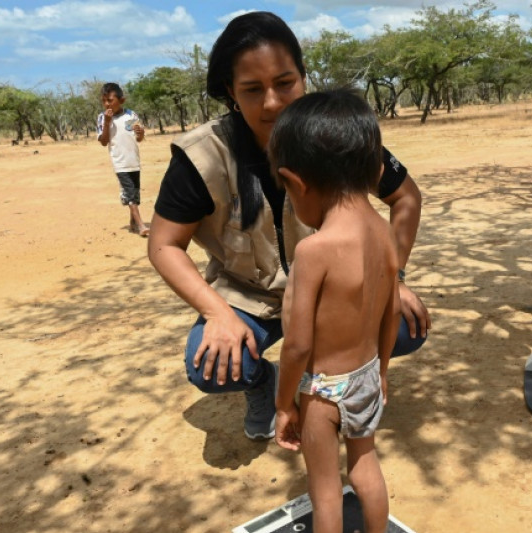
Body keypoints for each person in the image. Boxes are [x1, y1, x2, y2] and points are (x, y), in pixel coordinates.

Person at [147, 11, 430, 441]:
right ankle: (266, 383)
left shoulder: (338, 136)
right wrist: (217, 313)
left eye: (285, 83)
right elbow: (164, 245)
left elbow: (405, 196)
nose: (274, 102)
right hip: (247, 296)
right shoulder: (202, 157)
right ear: (231, 93)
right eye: (252, 90)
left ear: (303, 76)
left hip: (329, 290)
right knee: (210, 365)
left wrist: (393, 275)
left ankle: (323, 389)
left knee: (406, 327)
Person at [270, 90, 397, 533]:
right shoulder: (384, 231)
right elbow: (392, 312)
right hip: (365, 376)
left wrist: (284, 403)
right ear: (375, 170)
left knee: (325, 491)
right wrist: (380, 369)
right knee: (365, 464)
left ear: (296, 182)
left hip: (323, 390)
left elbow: (299, 344)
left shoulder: (314, 250)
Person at [97, 82, 149, 237]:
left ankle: (133, 222)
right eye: (104, 101)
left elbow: (138, 138)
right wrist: (107, 123)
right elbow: (103, 141)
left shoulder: (130, 115)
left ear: (122, 100)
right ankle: (141, 225)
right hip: (119, 161)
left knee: (135, 192)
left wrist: (140, 133)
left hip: (134, 160)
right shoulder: (102, 118)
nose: (107, 104)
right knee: (129, 192)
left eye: (110, 100)